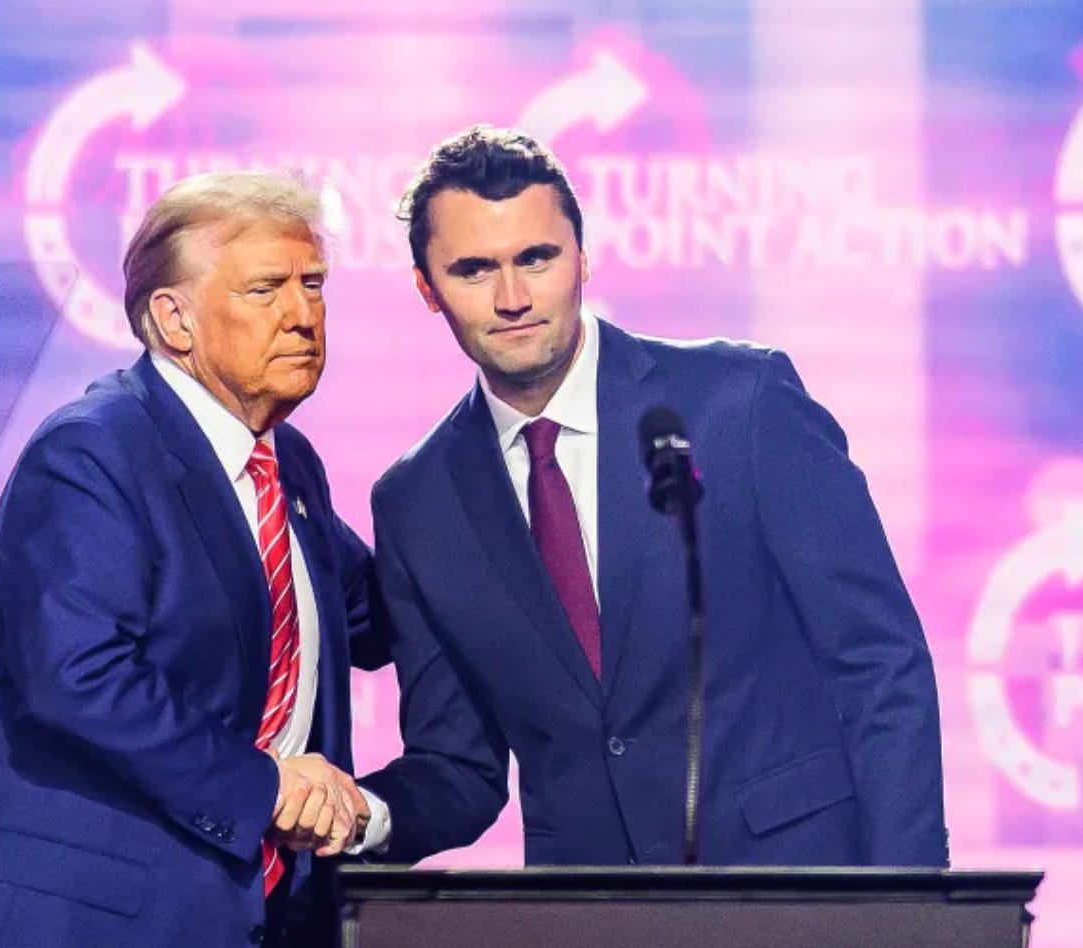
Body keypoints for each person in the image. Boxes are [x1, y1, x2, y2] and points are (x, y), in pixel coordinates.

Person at [356, 125, 948, 868]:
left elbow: (879, 661)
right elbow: (458, 763)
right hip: (589, 907)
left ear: (582, 256)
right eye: (475, 270)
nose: (512, 298)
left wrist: (910, 901)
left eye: (536, 258)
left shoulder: (741, 403)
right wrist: (362, 815)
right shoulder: (417, 502)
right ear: (426, 288)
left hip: (794, 887)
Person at [0, 171, 383, 948]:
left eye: (313, 284)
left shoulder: (286, 465)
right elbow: (79, 676)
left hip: (221, 914)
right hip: (58, 912)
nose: (302, 315)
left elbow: (377, 617)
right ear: (174, 319)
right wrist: (265, 786)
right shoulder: (93, 450)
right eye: (266, 289)